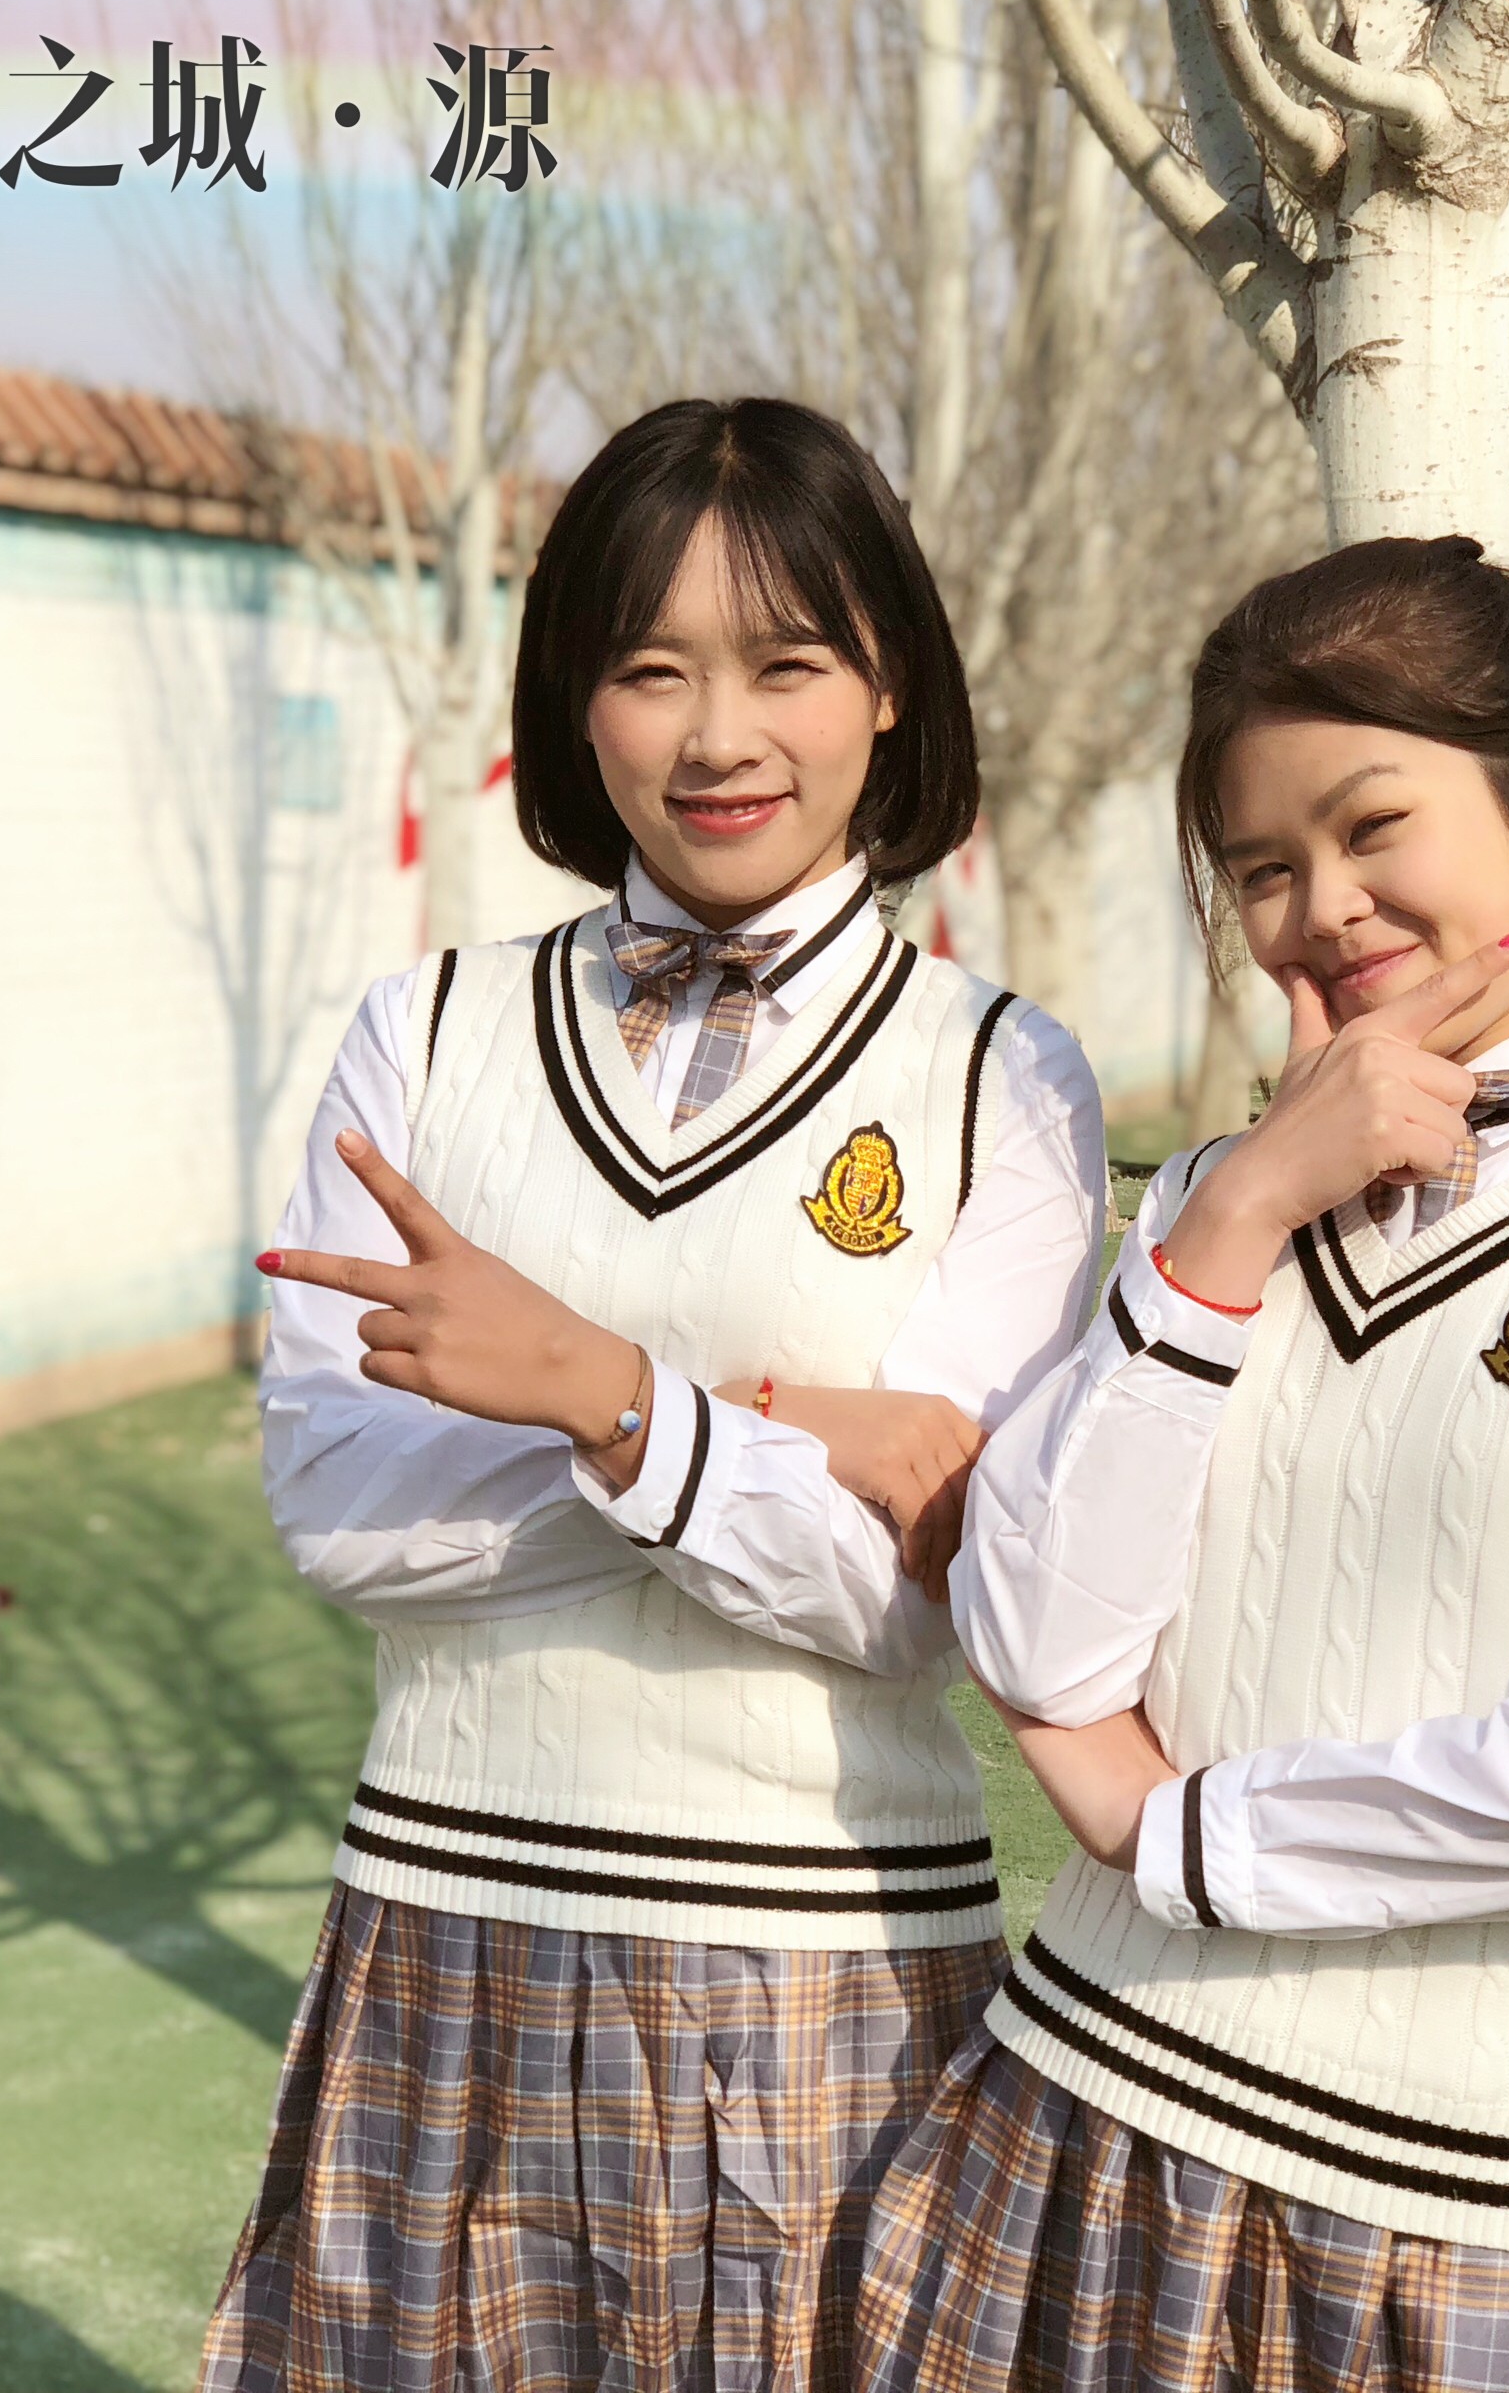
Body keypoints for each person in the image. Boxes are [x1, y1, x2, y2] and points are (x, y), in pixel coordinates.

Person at [854, 538, 1509, 2393]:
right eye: (1262, 867)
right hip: (1078, 2098)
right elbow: (1034, 1632)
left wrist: (1179, 1834)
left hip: (1451, 2220)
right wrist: (1242, 1207)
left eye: (1372, 824)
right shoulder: (1217, 1202)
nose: (1322, 908)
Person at [204, 398, 1107, 2393]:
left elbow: (921, 1608)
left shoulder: (1000, 1075)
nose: (719, 736)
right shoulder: (427, 1028)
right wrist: (781, 1435)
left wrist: (607, 1398)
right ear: (573, 699)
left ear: (890, 685)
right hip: (443, 1910)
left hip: (822, 1959)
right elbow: (343, 1514)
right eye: (650, 668)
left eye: (787, 663)